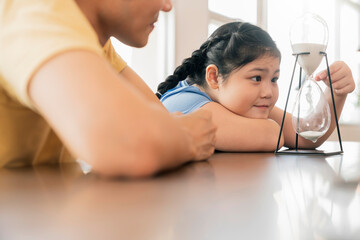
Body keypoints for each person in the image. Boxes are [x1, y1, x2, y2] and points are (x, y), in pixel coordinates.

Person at [0, 0, 217, 178]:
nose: (167, 6)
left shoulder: (93, 42)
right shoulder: (33, 10)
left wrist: (170, 135)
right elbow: (131, 144)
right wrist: (188, 137)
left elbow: (161, 119)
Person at [157, 21, 355, 152]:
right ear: (214, 77)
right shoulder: (185, 102)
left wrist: (336, 91)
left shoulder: (239, 104)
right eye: (256, 78)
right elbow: (272, 135)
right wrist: (274, 128)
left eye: (274, 80)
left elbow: (304, 137)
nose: (268, 92)